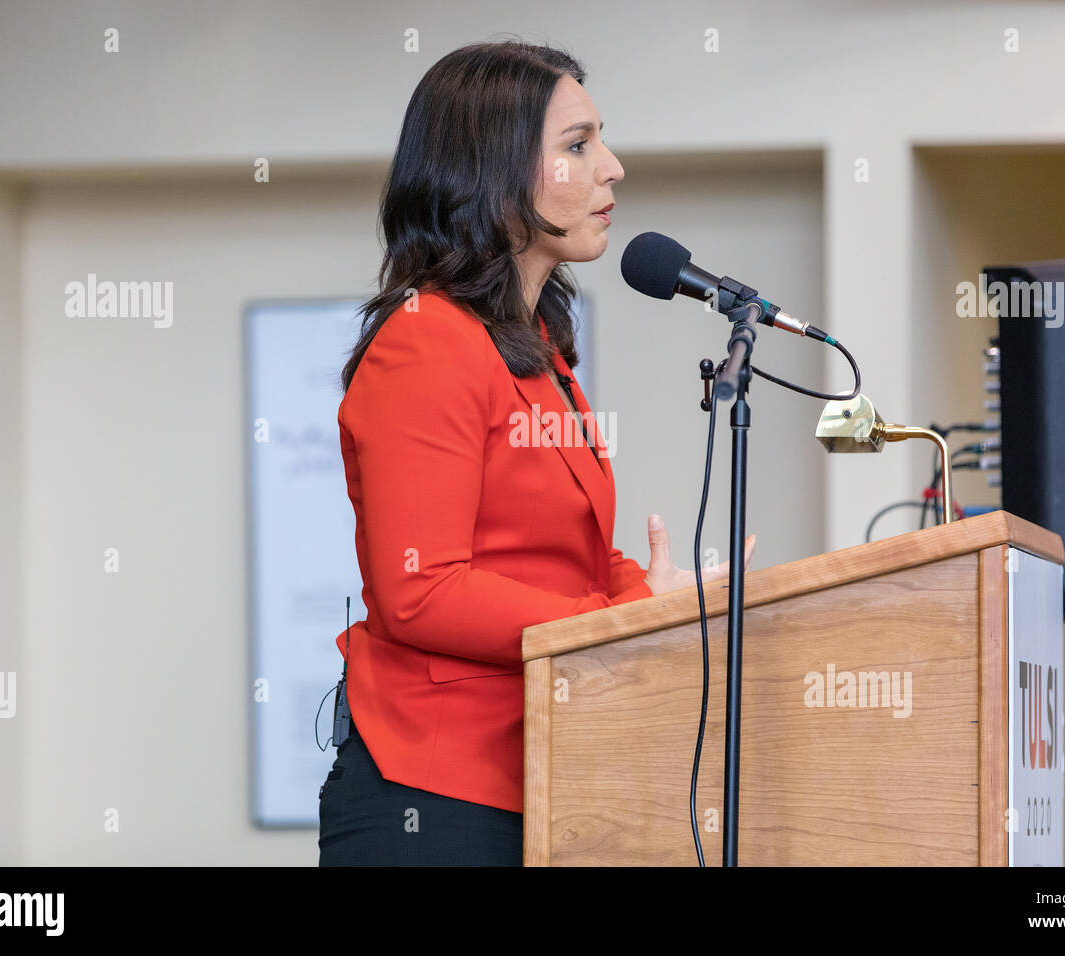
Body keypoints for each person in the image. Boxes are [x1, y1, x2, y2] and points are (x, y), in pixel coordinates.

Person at [317, 39, 756, 867]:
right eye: (578, 145)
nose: (613, 168)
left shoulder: (537, 348)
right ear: (494, 172)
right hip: (434, 794)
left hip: (545, 773)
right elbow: (422, 589)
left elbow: (570, 565)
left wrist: (662, 601)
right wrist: (614, 622)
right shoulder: (427, 344)